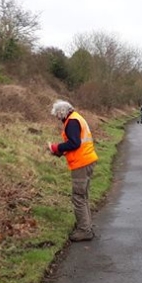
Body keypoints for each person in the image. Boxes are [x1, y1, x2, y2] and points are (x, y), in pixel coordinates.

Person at [48, 99, 99, 242]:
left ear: (62, 113)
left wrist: (56, 147)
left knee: (78, 197)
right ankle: (86, 226)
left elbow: (74, 143)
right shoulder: (77, 118)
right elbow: (75, 143)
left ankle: (84, 230)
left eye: (58, 117)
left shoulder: (71, 122)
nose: (59, 120)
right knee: (83, 196)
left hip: (81, 164)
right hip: (87, 160)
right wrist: (59, 151)